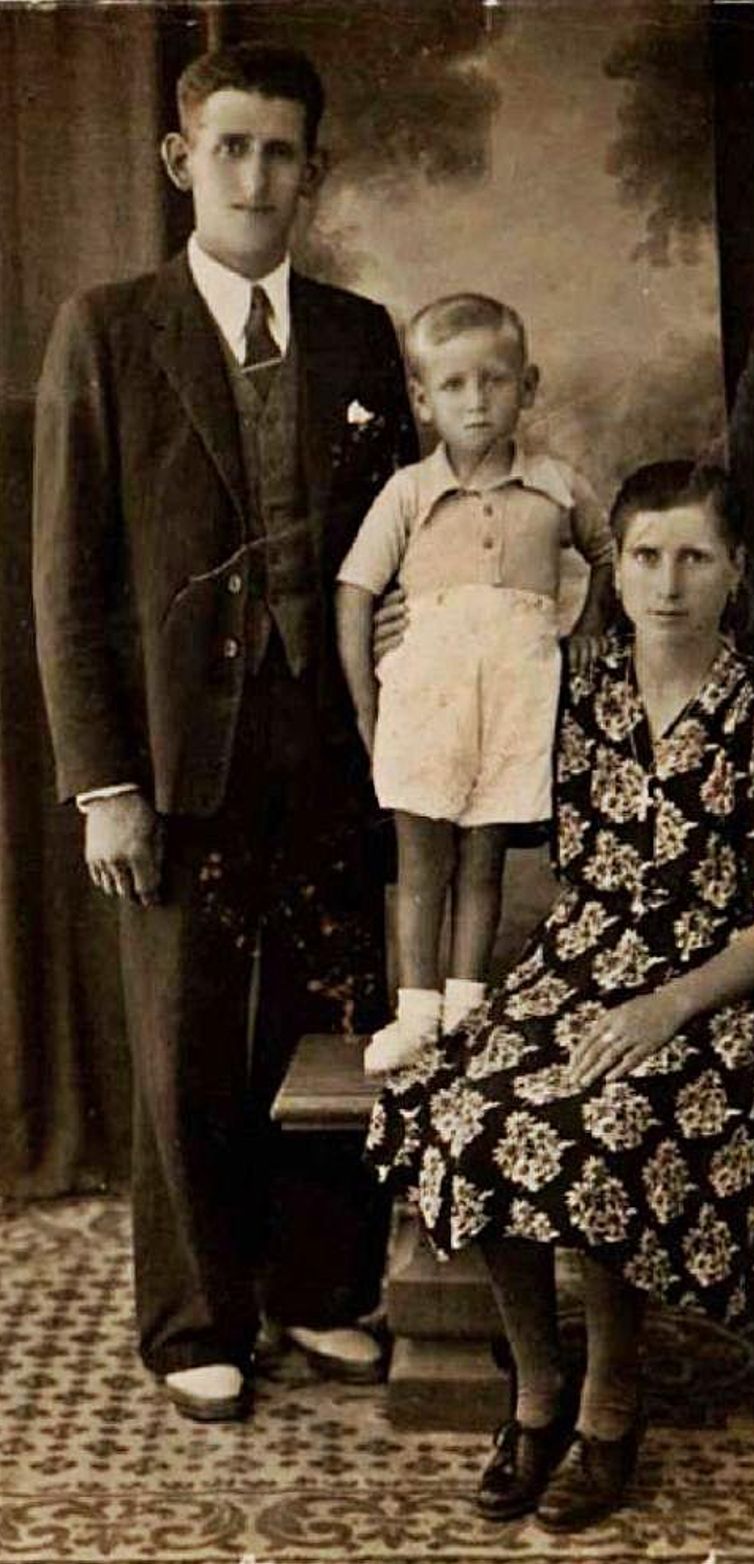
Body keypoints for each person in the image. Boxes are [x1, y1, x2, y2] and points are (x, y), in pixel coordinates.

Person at [32, 42, 418, 1421]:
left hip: (332, 750)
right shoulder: (110, 326)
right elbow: (67, 579)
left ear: (315, 174)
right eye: (232, 148)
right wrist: (105, 785)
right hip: (175, 763)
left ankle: (318, 1290)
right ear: (180, 159)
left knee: (332, 1025)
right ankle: (198, 1315)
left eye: (283, 154)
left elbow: (402, 543)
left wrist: (403, 636)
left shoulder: (365, 336)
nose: (257, 177)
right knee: (187, 1037)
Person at [365, 461, 754, 1531]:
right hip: (584, 956)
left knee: (604, 1122)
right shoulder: (574, 696)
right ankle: (537, 1392)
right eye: (645, 556)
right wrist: (415, 651)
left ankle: (611, 1403)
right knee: (461, 1102)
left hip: (728, 991)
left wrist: (666, 1005)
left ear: (736, 572)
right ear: (613, 572)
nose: (668, 581)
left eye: (694, 556)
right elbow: (454, 748)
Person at [336, 294, 614, 1076]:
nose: (476, 401)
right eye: (452, 385)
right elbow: (355, 591)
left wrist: (589, 623)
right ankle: (416, 1010)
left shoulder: (557, 486)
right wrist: (367, 701)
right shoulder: (408, 493)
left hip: (516, 698)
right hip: (428, 700)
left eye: (494, 381)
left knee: (484, 858)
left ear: (527, 386)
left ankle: (466, 1007)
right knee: (423, 862)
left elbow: (611, 551)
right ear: (422, 399)